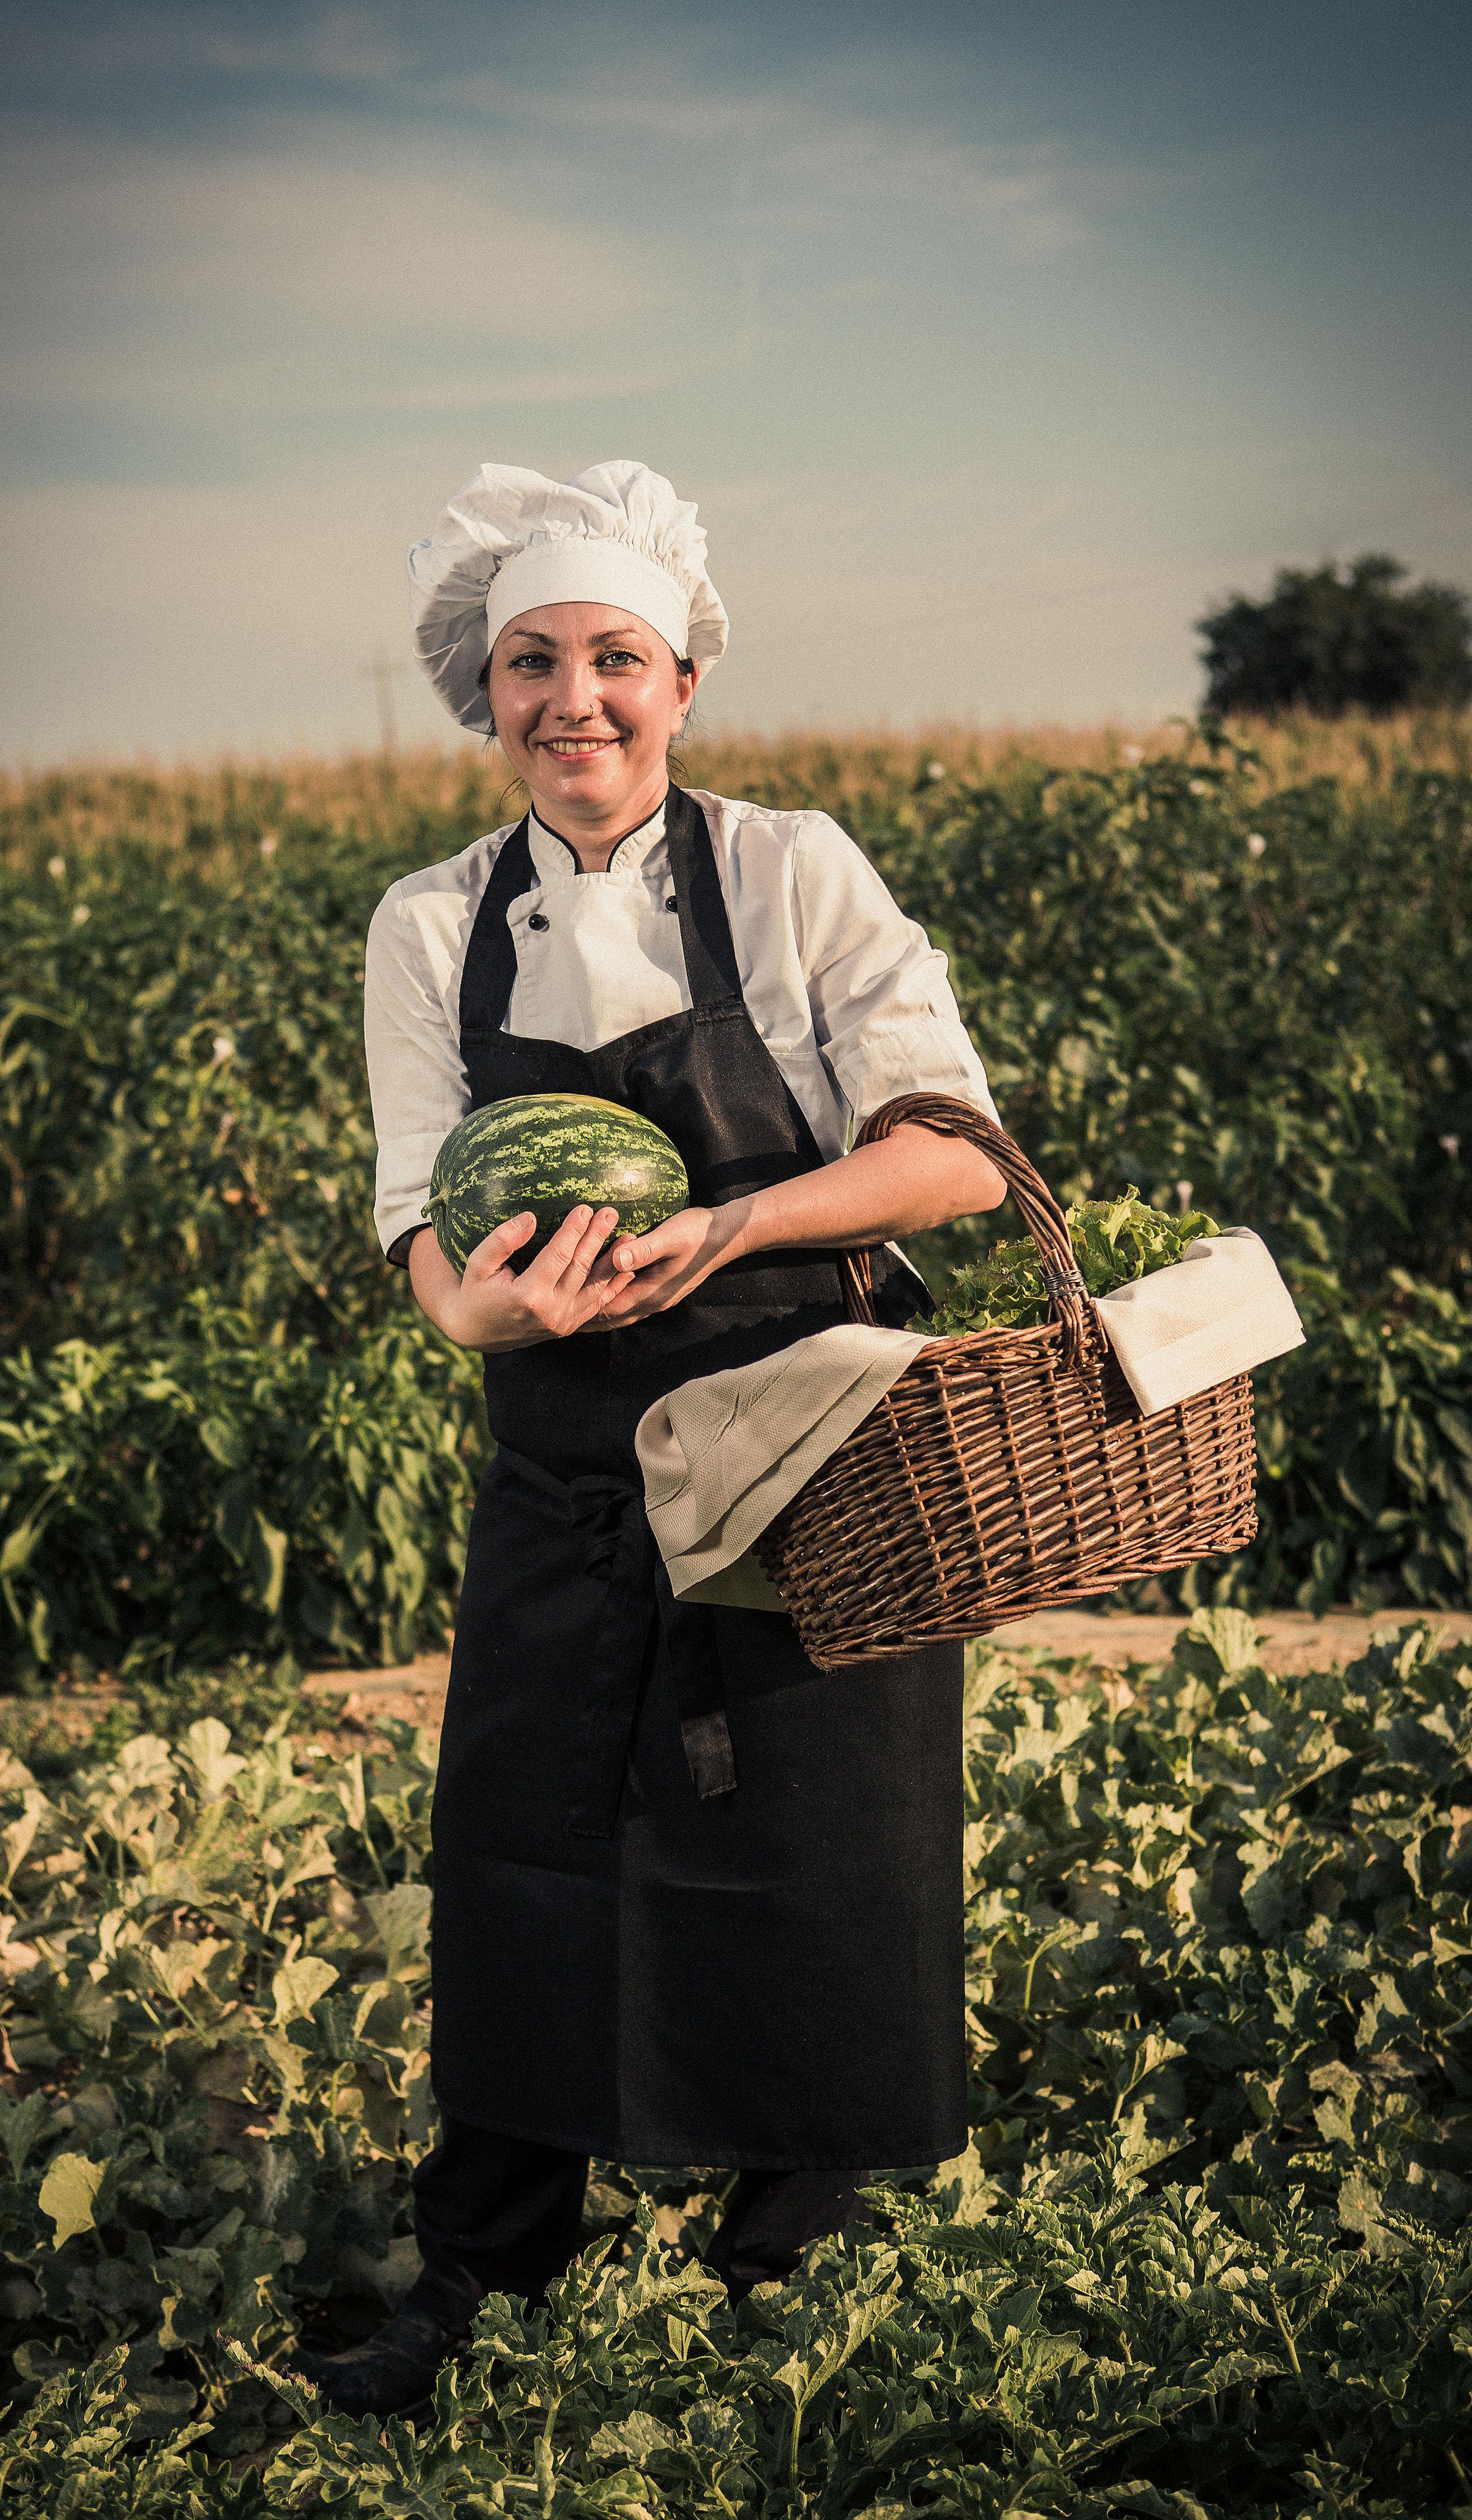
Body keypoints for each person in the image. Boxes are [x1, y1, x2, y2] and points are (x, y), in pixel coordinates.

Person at [293, 460, 1005, 2418]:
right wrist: (494, 1306)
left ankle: (794, 2292)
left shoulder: (794, 872)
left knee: (824, 1854)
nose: (574, 699)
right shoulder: (432, 926)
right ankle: (482, 2280)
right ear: (485, 693)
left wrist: (736, 1222)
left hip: (812, 1458)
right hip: (571, 1468)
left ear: (685, 677)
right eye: (532, 662)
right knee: (527, 1847)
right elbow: (425, 1239)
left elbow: (950, 1153)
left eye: (616, 656)